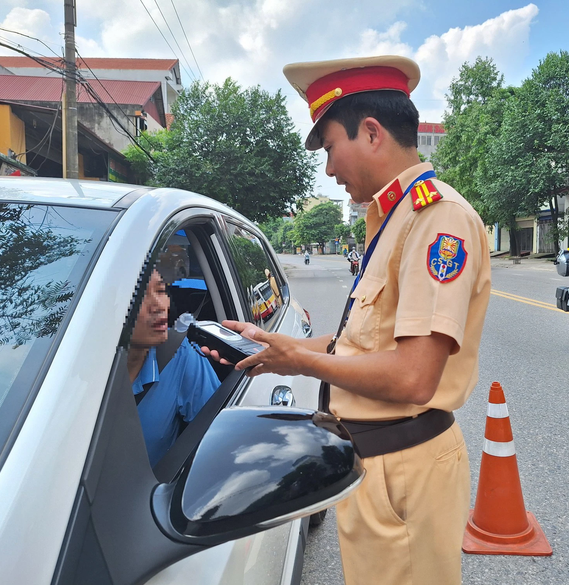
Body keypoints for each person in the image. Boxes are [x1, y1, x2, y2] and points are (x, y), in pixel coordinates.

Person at [204, 55, 491, 585]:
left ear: (372, 132)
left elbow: (413, 376)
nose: (329, 169)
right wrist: (276, 348)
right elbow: (358, 344)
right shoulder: (393, 218)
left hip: (403, 468)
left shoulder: (436, 220)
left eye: (331, 148)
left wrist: (301, 363)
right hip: (378, 464)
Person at [128, 267, 220, 466]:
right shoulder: (67, 370)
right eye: (138, 295)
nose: (159, 305)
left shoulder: (179, 354)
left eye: (161, 291)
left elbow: (222, 437)